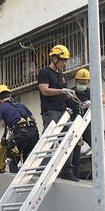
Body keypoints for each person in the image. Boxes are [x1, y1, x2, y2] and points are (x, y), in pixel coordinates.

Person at [37, 44, 79, 181]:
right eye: (62, 60)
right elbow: (44, 90)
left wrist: (72, 98)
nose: (64, 63)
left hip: (62, 111)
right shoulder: (45, 72)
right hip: (50, 111)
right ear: (54, 58)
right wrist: (62, 91)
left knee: (69, 138)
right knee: (50, 138)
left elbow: (64, 93)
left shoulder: (60, 75)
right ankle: (41, 168)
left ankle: (66, 169)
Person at [67, 68, 105, 178]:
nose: (82, 85)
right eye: (80, 83)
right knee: (75, 154)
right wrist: (66, 109)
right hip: (75, 126)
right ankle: (74, 176)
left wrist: (93, 101)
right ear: (76, 81)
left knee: (97, 149)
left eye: (84, 83)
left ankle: (101, 177)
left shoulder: (91, 92)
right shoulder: (71, 93)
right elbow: (62, 104)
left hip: (88, 126)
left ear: (88, 82)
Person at [0, 84, 39, 173]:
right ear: (10, 95)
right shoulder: (21, 105)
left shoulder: (1, 108)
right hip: (34, 134)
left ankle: (15, 181)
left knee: (12, 160)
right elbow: (34, 118)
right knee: (29, 160)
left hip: (19, 136)